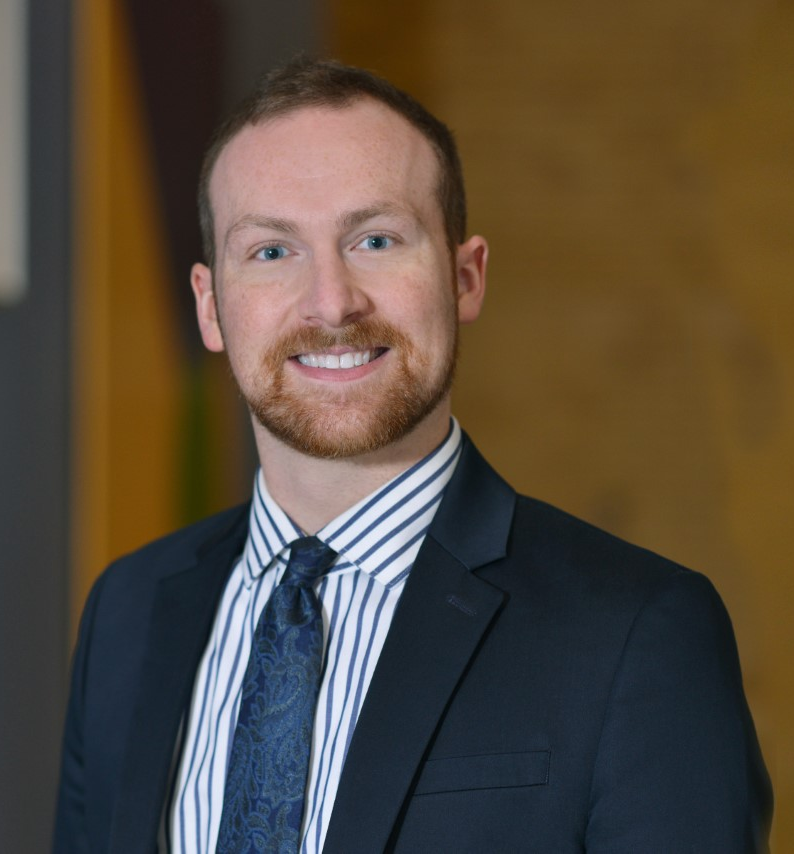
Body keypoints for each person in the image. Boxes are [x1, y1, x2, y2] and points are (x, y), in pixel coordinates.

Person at [53, 57, 772, 853]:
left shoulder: (637, 632)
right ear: (210, 306)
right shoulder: (127, 613)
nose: (331, 302)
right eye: (271, 251)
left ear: (465, 278)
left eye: (376, 239)